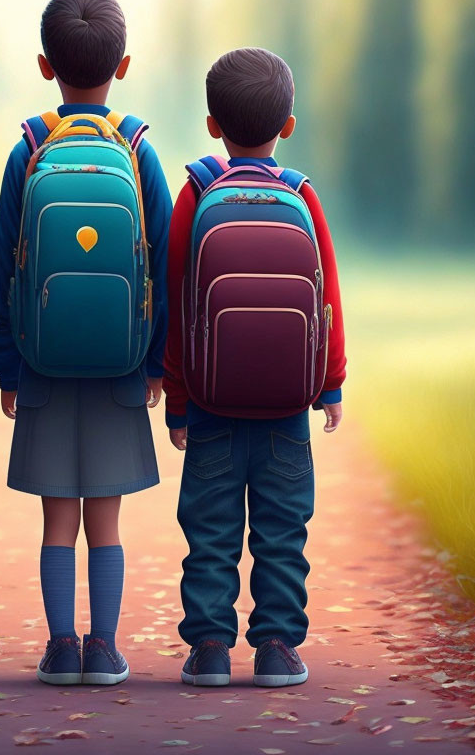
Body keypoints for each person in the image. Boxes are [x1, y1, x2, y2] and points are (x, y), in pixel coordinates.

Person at [0, 0, 172, 685]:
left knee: (56, 523)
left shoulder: (28, 151)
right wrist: (155, 363)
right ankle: (104, 648)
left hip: (42, 365)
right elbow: (159, 256)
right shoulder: (137, 151)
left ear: (46, 66)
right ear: (122, 65)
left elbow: (4, 263)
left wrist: (8, 367)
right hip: (120, 367)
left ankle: (60, 646)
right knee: (107, 524)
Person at [164, 47, 347, 687]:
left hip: (212, 405)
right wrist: (331, 384)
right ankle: (277, 647)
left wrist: (179, 398)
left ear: (213, 124)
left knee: (209, 529)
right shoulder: (301, 195)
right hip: (286, 409)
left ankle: (210, 647)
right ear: (287, 126)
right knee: (282, 531)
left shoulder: (195, 193)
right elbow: (326, 297)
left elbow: (179, 301)